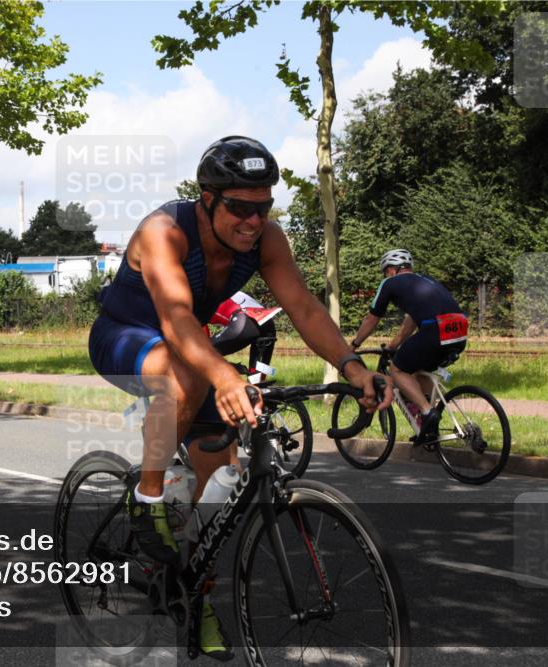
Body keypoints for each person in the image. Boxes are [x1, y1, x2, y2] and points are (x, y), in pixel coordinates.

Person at [88, 136, 392, 660]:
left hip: (189, 347)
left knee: (214, 495)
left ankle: (192, 596)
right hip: (126, 336)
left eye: (264, 206)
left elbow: (303, 306)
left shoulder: (266, 239)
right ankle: (147, 498)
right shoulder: (164, 232)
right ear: (206, 197)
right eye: (240, 207)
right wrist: (225, 377)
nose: (253, 220)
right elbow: (177, 318)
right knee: (190, 379)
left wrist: (352, 366)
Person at [350, 249, 468, 442]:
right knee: (421, 369)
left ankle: (427, 411)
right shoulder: (426, 280)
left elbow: (372, 319)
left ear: (390, 270)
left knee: (397, 369)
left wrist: (354, 344)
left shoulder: (389, 283)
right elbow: (410, 322)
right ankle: (429, 428)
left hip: (434, 331)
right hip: (459, 330)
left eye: (386, 272)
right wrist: (393, 345)